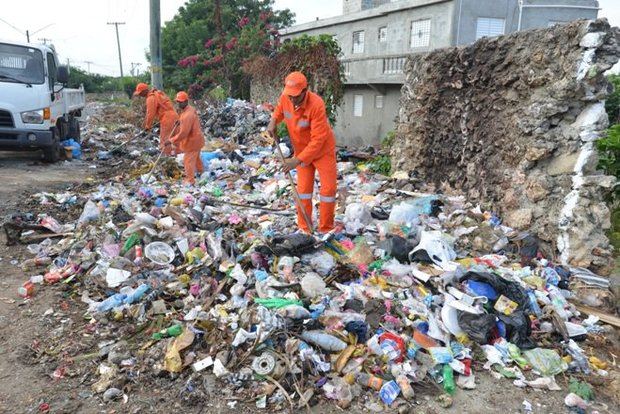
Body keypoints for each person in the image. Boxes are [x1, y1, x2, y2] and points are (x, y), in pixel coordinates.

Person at [267, 71, 337, 234]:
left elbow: (318, 140)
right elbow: (279, 111)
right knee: (303, 192)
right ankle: (305, 228)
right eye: (289, 96)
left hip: (322, 151)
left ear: (305, 91)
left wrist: (296, 160)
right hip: (301, 150)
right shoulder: (286, 97)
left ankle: (326, 228)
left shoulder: (316, 104)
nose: (292, 99)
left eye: (295, 96)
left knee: (328, 191)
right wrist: (273, 122)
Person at [169, 91, 205, 186]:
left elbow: (183, 134)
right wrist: (179, 121)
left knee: (188, 161)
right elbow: (186, 120)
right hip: (197, 140)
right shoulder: (189, 109)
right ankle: (202, 172)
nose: (179, 103)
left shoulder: (187, 115)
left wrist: (171, 140)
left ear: (186, 101)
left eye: (181, 102)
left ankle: (190, 180)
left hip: (192, 142)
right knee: (196, 158)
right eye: (178, 102)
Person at [133, 83, 179, 155]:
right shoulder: (157, 93)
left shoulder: (150, 98)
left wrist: (148, 126)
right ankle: (179, 157)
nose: (140, 95)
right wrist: (145, 123)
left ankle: (166, 157)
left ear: (144, 91)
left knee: (165, 141)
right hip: (175, 116)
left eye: (140, 93)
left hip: (167, 119)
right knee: (176, 139)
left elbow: (150, 114)